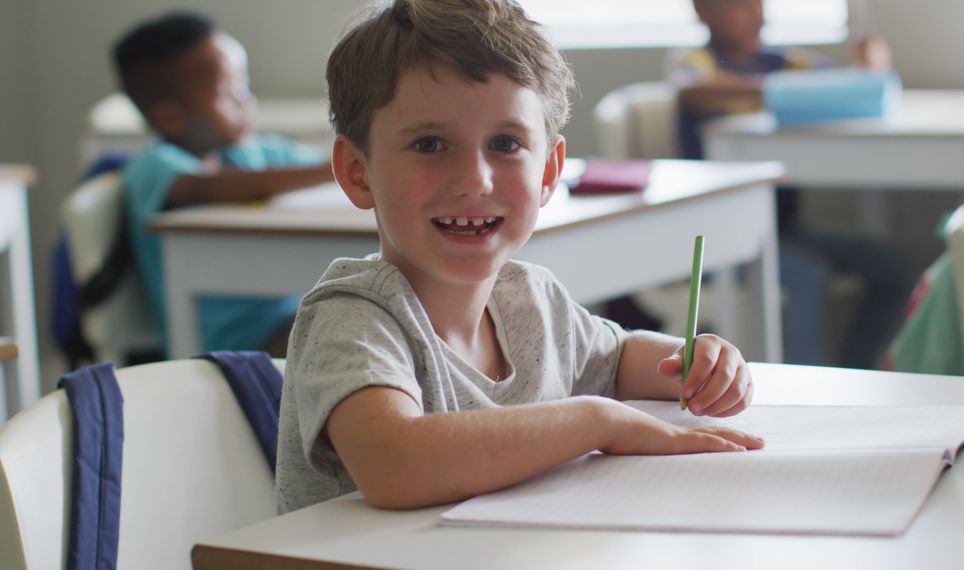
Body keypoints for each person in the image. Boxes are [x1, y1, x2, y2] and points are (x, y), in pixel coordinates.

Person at [276, 0, 764, 514]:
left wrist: (701, 360)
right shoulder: (352, 318)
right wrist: (597, 422)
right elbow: (395, 464)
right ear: (357, 171)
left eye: (505, 143)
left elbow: (620, 361)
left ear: (549, 171)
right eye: (429, 144)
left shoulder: (530, 299)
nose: (474, 181)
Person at [668, 0, 911, 368]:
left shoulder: (787, 62)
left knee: (889, 265)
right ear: (704, 11)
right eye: (740, 7)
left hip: (786, 229)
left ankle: (853, 371)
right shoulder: (697, 64)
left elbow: (855, 84)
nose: (757, 15)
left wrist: (873, 62)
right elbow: (692, 89)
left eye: (759, 5)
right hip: (727, 238)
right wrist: (782, 92)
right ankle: (806, 389)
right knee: (808, 276)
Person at [112, 12, 334, 355]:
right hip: (227, 347)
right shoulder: (153, 168)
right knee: (351, 322)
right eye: (228, 93)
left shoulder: (250, 152)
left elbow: (318, 163)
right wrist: (340, 165)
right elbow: (204, 187)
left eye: (244, 86)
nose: (246, 102)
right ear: (170, 116)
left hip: (290, 317)